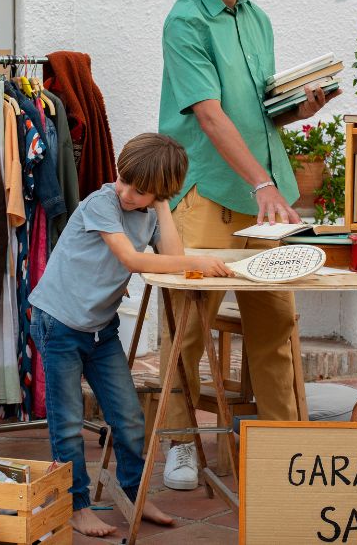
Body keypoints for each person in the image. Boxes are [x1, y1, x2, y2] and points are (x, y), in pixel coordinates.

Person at [156, 0, 336, 490]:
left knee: (276, 323)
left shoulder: (258, 20)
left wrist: (298, 108)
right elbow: (209, 115)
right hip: (208, 192)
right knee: (187, 329)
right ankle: (180, 443)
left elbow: (256, 105)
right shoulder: (185, 22)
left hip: (264, 195)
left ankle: (285, 443)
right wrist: (262, 183)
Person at [27, 133, 232, 537]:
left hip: (101, 331)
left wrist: (162, 205)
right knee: (68, 422)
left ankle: (134, 493)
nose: (125, 192)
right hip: (59, 324)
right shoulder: (102, 203)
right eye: (124, 180)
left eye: (139, 191)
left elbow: (170, 252)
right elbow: (133, 260)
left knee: (131, 419)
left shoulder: (151, 209)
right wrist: (195, 261)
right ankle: (76, 504)